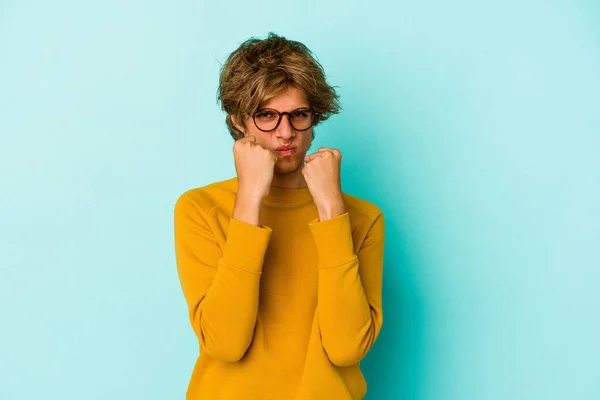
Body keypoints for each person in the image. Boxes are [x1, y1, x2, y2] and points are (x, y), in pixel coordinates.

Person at [173, 32, 385, 400]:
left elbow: (346, 348)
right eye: (267, 115)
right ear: (239, 120)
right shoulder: (200, 208)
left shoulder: (363, 217)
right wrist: (250, 198)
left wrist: (332, 212)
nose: (286, 133)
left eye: (299, 115)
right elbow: (225, 344)